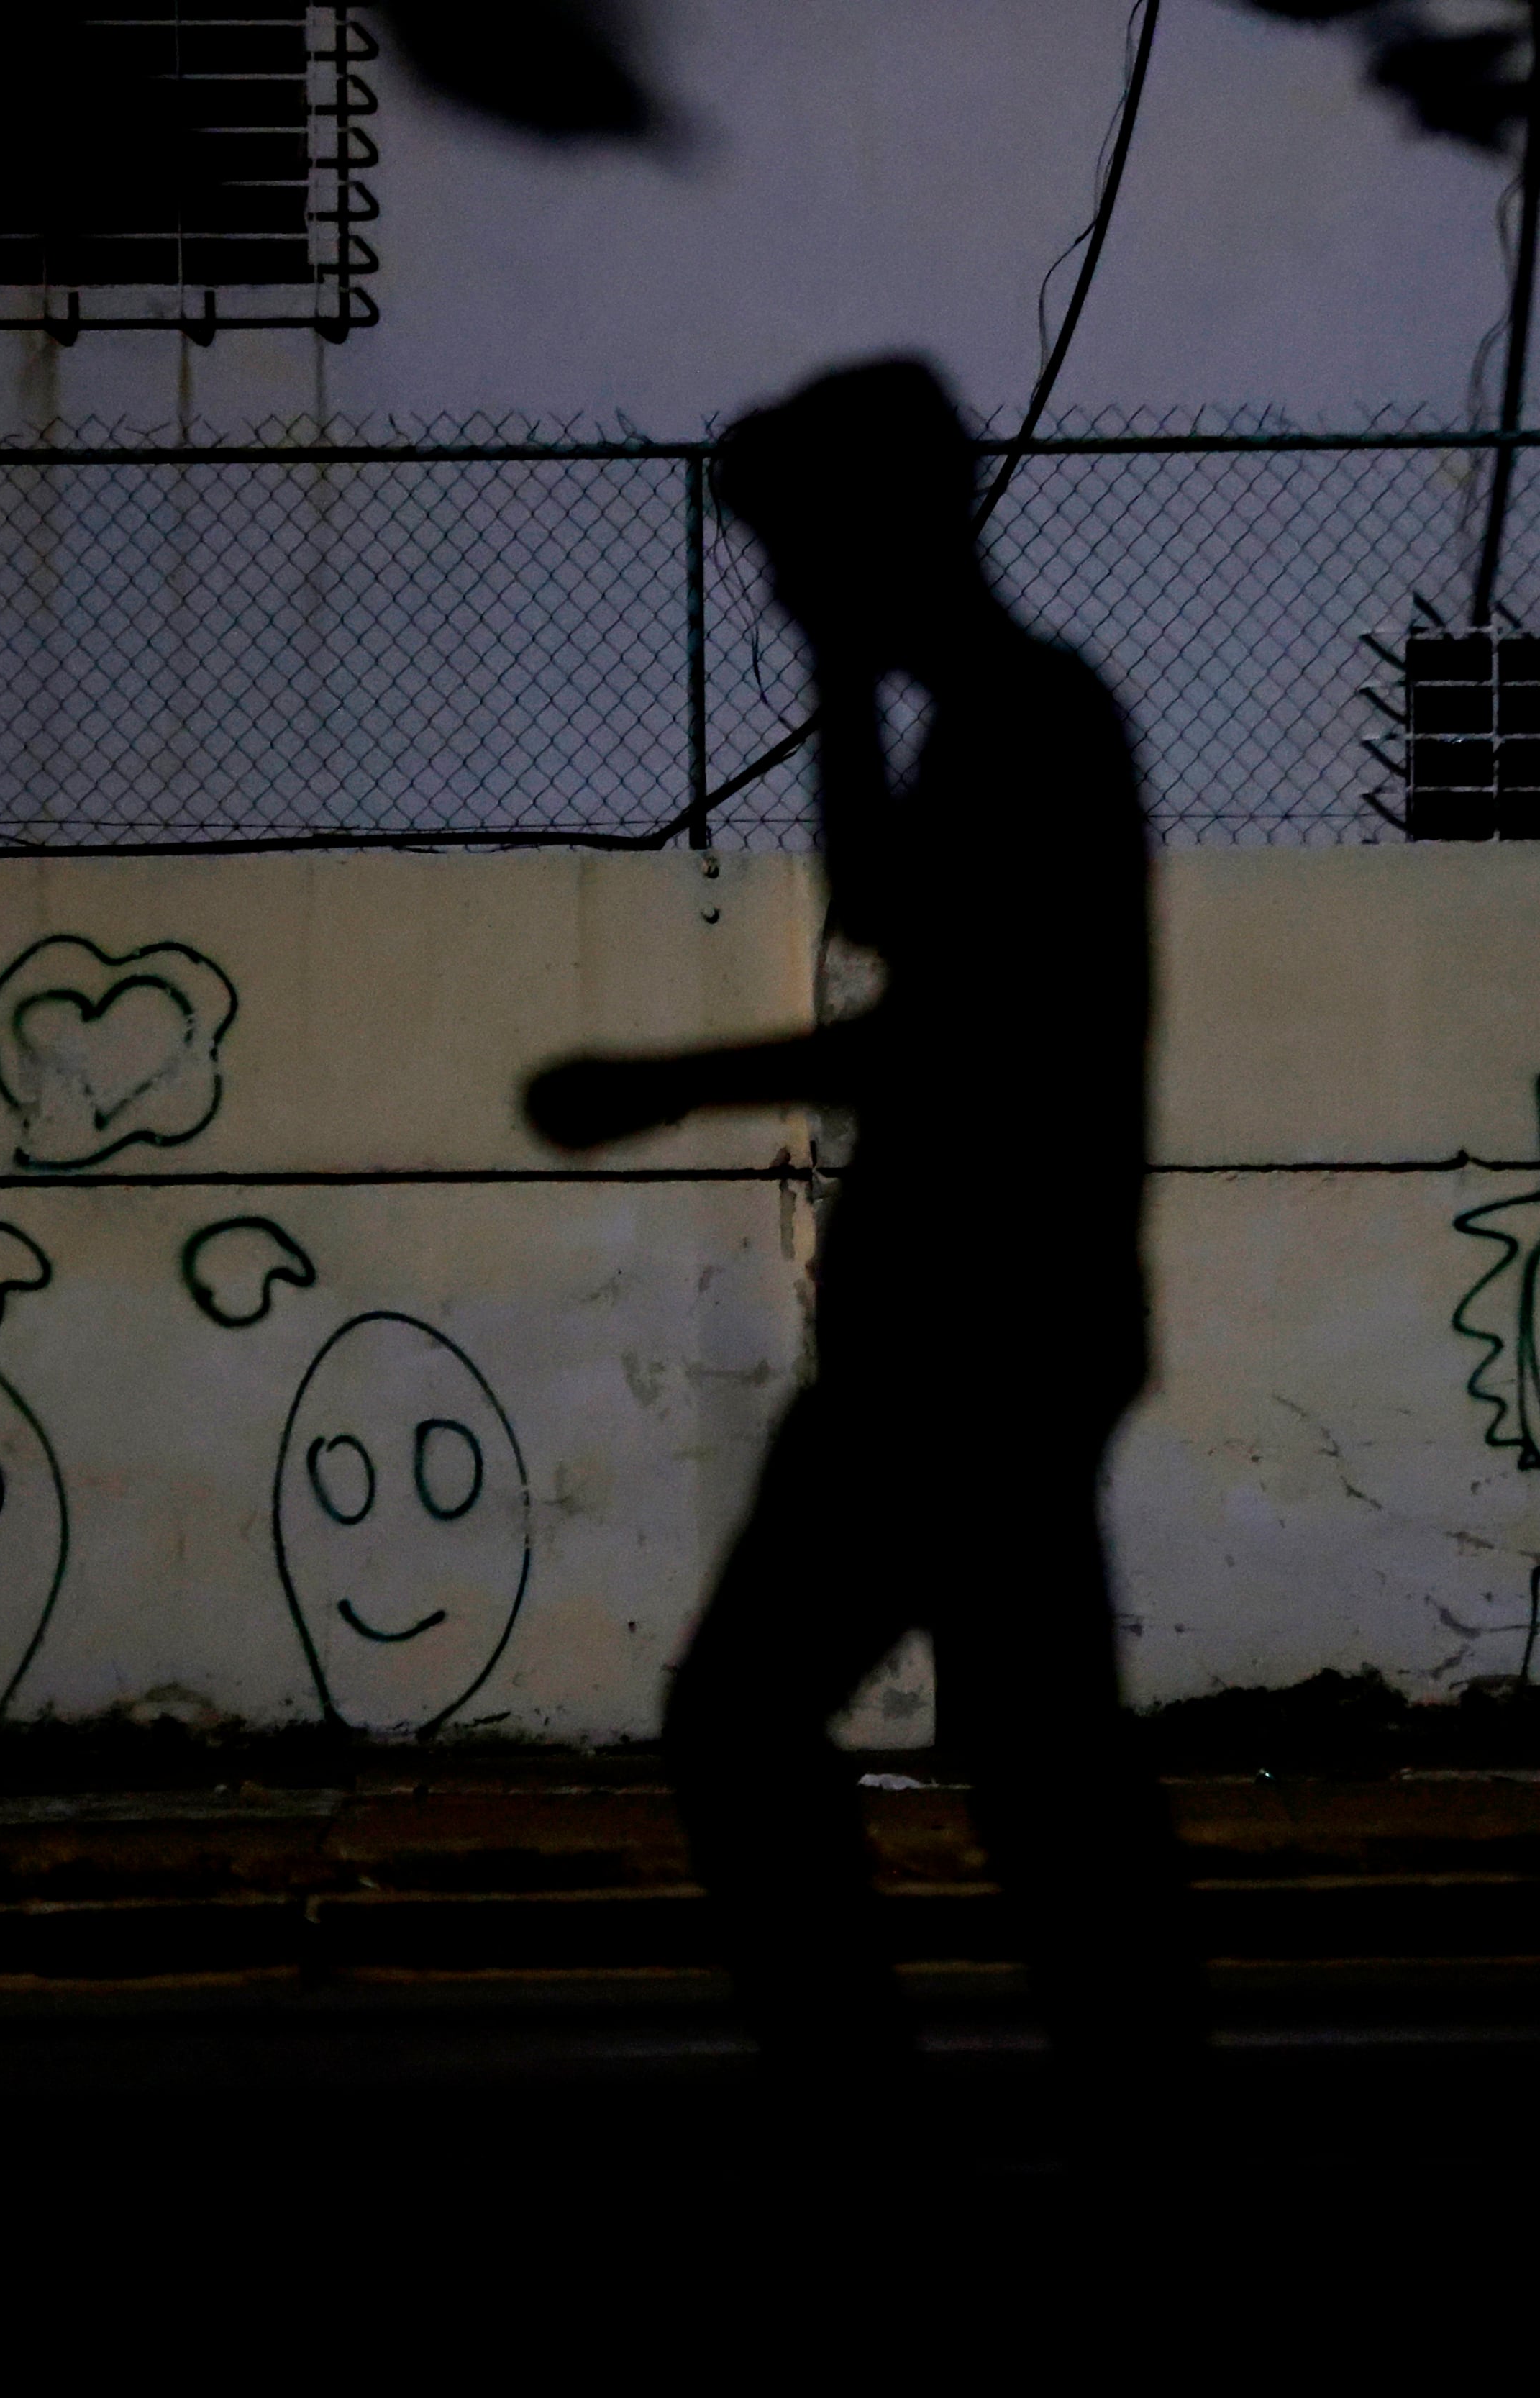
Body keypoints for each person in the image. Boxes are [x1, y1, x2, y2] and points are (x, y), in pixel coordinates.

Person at [524, 356, 1195, 2133]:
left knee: (753, 1724)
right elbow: (890, 909)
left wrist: (655, 1084)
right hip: (994, 1333)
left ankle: (883, 2116)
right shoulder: (993, 721)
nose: (775, 587)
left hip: (973, 1338)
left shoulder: (1037, 723)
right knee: (1043, 1764)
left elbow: (951, 1022)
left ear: (875, 532)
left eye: (796, 554)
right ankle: (1124, 2098)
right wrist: (832, 672)